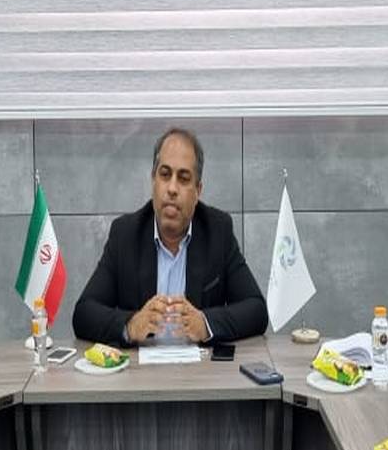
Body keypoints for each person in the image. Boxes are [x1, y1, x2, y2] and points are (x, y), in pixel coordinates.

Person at [73, 127, 267, 346]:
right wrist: (130, 325)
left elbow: (256, 310)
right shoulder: (125, 235)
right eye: (165, 175)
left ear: (198, 191)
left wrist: (205, 324)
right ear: (153, 180)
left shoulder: (217, 231)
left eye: (183, 179)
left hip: (198, 367)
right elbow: (84, 314)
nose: (172, 188)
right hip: (141, 367)